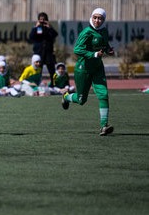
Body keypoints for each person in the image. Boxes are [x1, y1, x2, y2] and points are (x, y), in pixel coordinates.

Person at [61, 8, 115, 136]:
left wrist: (108, 50)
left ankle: (104, 126)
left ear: (104, 20)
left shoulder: (104, 31)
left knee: (103, 95)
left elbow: (105, 44)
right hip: (83, 69)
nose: (97, 20)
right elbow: (77, 49)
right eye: (95, 17)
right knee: (81, 100)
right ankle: (66, 97)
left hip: (97, 68)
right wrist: (95, 54)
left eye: (100, 18)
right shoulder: (87, 32)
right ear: (91, 17)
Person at [29, 12, 58, 86]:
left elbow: (55, 35)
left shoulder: (49, 28)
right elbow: (31, 37)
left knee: (52, 71)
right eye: (40, 19)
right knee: (38, 70)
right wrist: (35, 27)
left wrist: (49, 27)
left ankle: (53, 84)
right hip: (39, 53)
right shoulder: (36, 28)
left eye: (44, 19)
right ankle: (37, 84)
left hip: (48, 53)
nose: (42, 21)